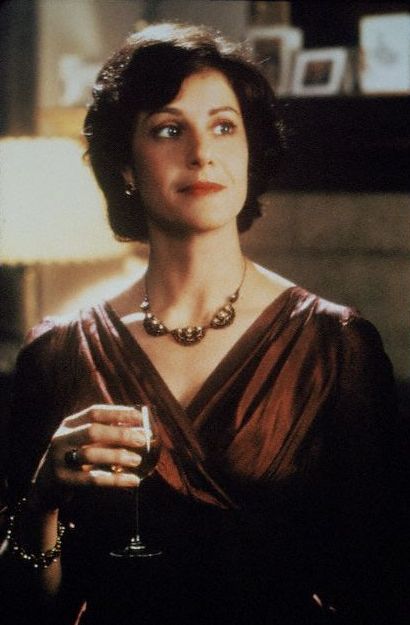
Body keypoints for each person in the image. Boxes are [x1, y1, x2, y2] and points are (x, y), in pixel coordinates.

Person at [2, 22, 402, 625]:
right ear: (125, 165)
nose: (201, 152)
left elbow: (378, 587)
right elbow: (24, 609)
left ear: (249, 152)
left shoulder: (336, 347)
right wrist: (40, 503)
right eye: (169, 129)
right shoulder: (57, 353)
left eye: (223, 126)